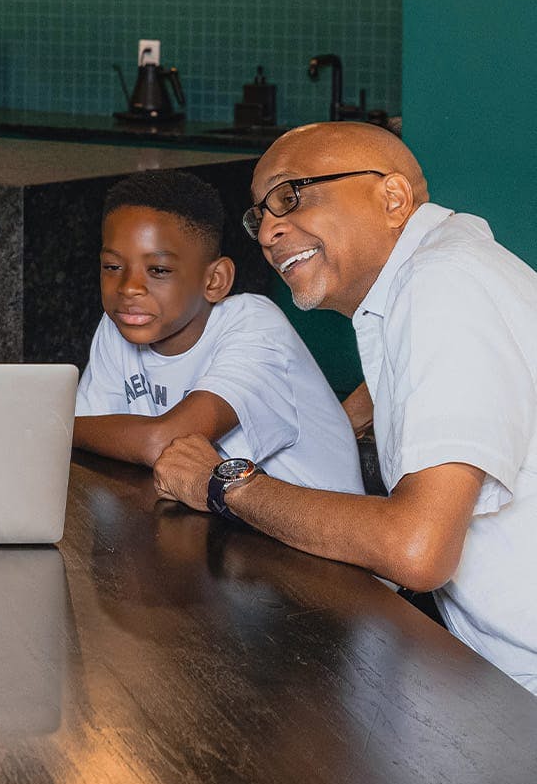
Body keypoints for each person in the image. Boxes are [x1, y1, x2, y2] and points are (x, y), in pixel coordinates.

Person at [153, 122, 537, 694]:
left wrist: (225, 482)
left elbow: (417, 548)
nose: (270, 230)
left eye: (291, 194)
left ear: (393, 198)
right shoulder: (448, 266)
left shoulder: (442, 286)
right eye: (260, 215)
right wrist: (345, 417)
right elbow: (423, 386)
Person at [73, 170, 362, 494]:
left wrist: (49, 426)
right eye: (113, 267)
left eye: (158, 270)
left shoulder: (255, 326)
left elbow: (164, 442)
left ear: (215, 281)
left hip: (312, 535)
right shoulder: (121, 326)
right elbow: (88, 441)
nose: (128, 288)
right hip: (213, 523)